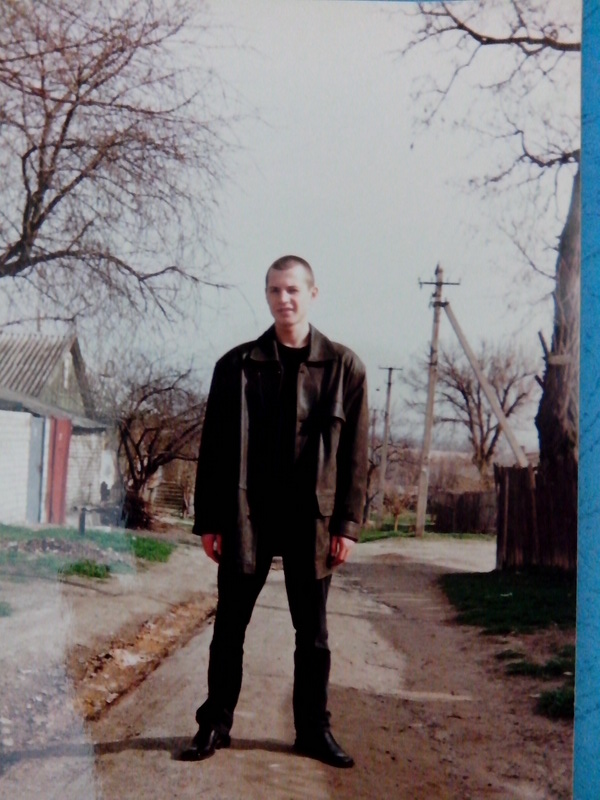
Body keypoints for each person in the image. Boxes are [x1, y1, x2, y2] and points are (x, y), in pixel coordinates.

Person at [191, 255, 368, 768]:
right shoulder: (236, 366)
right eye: (274, 290)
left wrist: (347, 524)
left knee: (312, 635)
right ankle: (214, 723)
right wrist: (209, 521)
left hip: (312, 519)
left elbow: (357, 456)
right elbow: (213, 449)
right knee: (230, 626)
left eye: (292, 289)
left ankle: (313, 730)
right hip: (247, 514)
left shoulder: (345, 368)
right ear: (266, 295)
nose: (283, 299)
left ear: (313, 293)